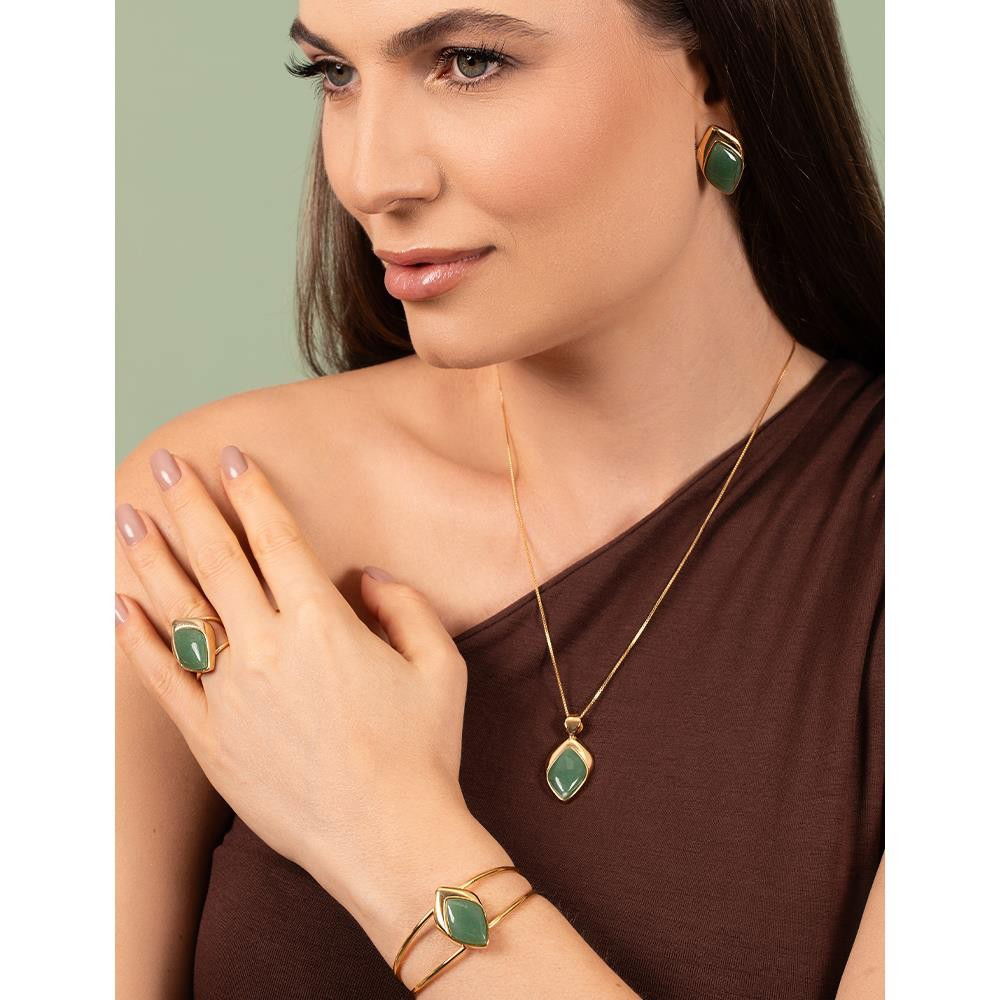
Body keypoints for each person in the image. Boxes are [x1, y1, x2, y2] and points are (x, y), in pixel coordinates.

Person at [116, 1, 884, 996]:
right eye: (335, 75)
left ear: (716, 75)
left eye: (470, 62)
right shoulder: (222, 520)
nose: (370, 177)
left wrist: (381, 830)